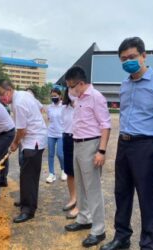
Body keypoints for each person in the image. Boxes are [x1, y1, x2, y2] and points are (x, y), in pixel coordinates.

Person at [100, 37, 153, 250]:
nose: (128, 61)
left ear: (144, 55)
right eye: (123, 59)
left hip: (147, 146)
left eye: (132, 57)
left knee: (146, 198)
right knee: (121, 192)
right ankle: (122, 236)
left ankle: (147, 244)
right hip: (124, 144)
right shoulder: (124, 85)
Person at [64, 66, 111, 248]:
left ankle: (99, 230)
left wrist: (101, 151)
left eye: (71, 86)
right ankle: (84, 218)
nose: (70, 90)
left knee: (93, 188)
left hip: (91, 145)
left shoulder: (96, 97)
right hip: (77, 143)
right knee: (81, 185)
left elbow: (105, 125)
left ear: (81, 83)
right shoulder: (79, 98)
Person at [0, 79, 47, 223]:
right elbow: (38, 106)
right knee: (26, 174)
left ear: (10, 90)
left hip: (33, 141)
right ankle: (26, 200)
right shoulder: (22, 95)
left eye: (2, 94)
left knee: (28, 176)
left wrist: (15, 143)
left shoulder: (19, 102)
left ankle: (28, 210)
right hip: (32, 139)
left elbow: (22, 130)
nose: (1, 98)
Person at [61, 87, 79, 219]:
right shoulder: (65, 108)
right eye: (69, 89)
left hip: (79, 139)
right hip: (67, 138)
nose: (72, 92)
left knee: (80, 173)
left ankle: (80, 205)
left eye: (74, 88)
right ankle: (73, 198)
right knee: (69, 172)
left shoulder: (82, 104)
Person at [46, 88, 66, 183]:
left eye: (55, 96)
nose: (53, 97)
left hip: (61, 133)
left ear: (60, 96)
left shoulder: (64, 106)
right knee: (50, 154)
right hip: (51, 133)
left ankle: (63, 170)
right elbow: (49, 118)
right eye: (52, 96)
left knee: (60, 154)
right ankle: (51, 173)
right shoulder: (50, 107)